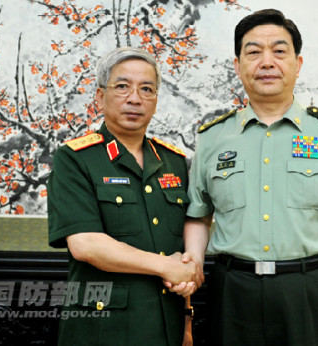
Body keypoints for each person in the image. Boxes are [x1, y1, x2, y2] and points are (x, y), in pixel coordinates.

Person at [177, 8, 318, 346]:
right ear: (238, 65)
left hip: (312, 289)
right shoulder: (212, 137)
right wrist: (193, 268)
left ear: (297, 64)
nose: (267, 62)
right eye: (254, 52)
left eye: (279, 50)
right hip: (233, 290)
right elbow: (199, 216)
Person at [47, 46, 203, 346]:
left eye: (147, 89)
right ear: (99, 96)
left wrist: (186, 323)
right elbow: (86, 245)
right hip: (103, 330)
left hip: (166, 327)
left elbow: (180, 249)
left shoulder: (174, 162)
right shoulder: (75, 158)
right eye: (122, 87)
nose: (135, 98)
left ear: (156, 100)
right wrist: (164, 266)